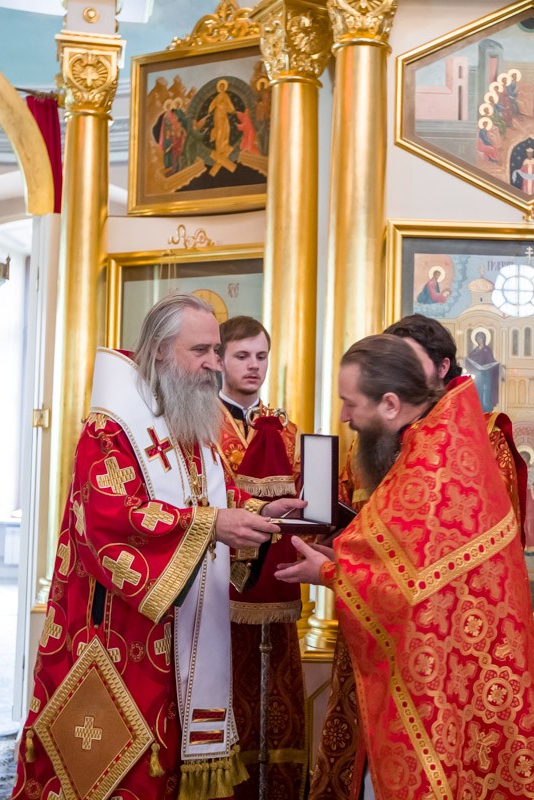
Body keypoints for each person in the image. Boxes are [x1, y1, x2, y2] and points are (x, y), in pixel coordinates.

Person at [10, 295, 303, 800]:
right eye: (201, 351)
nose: (215, 364)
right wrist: (213, 525)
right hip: (121, 633)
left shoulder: (188, 420)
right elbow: (108, 519)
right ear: (162, 351)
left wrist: (257, 510)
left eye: (216, 350)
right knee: (123, 768)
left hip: (184, 625)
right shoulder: (111, 428)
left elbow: (206, 497)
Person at [280, 334, 534, 800]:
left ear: (390, 404)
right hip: (446, 658)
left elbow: (412, 586)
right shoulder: (438, 442)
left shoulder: (433, 462)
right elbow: (414, 562)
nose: (344, 416)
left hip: (446, 668)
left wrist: (331, 574)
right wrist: (348, 560)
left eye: (350, 402)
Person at [215, 316, 305, 800]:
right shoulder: (200, 424)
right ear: (219, 359)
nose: (253, 366)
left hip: (279, 581)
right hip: (216, 590)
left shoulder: (288, 430)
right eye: (242, 356)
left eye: (261, 356)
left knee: (276, 695)